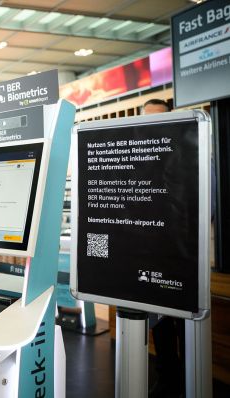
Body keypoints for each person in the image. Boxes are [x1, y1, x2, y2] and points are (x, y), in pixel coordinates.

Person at [142, 98, 184, 397]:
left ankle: (189, 377)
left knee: (185, 324)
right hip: (152, 253)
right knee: (161, 323)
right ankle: (168, 378)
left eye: (158, 118)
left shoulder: (186, 154)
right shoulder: (141, 157)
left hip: (182, 254)